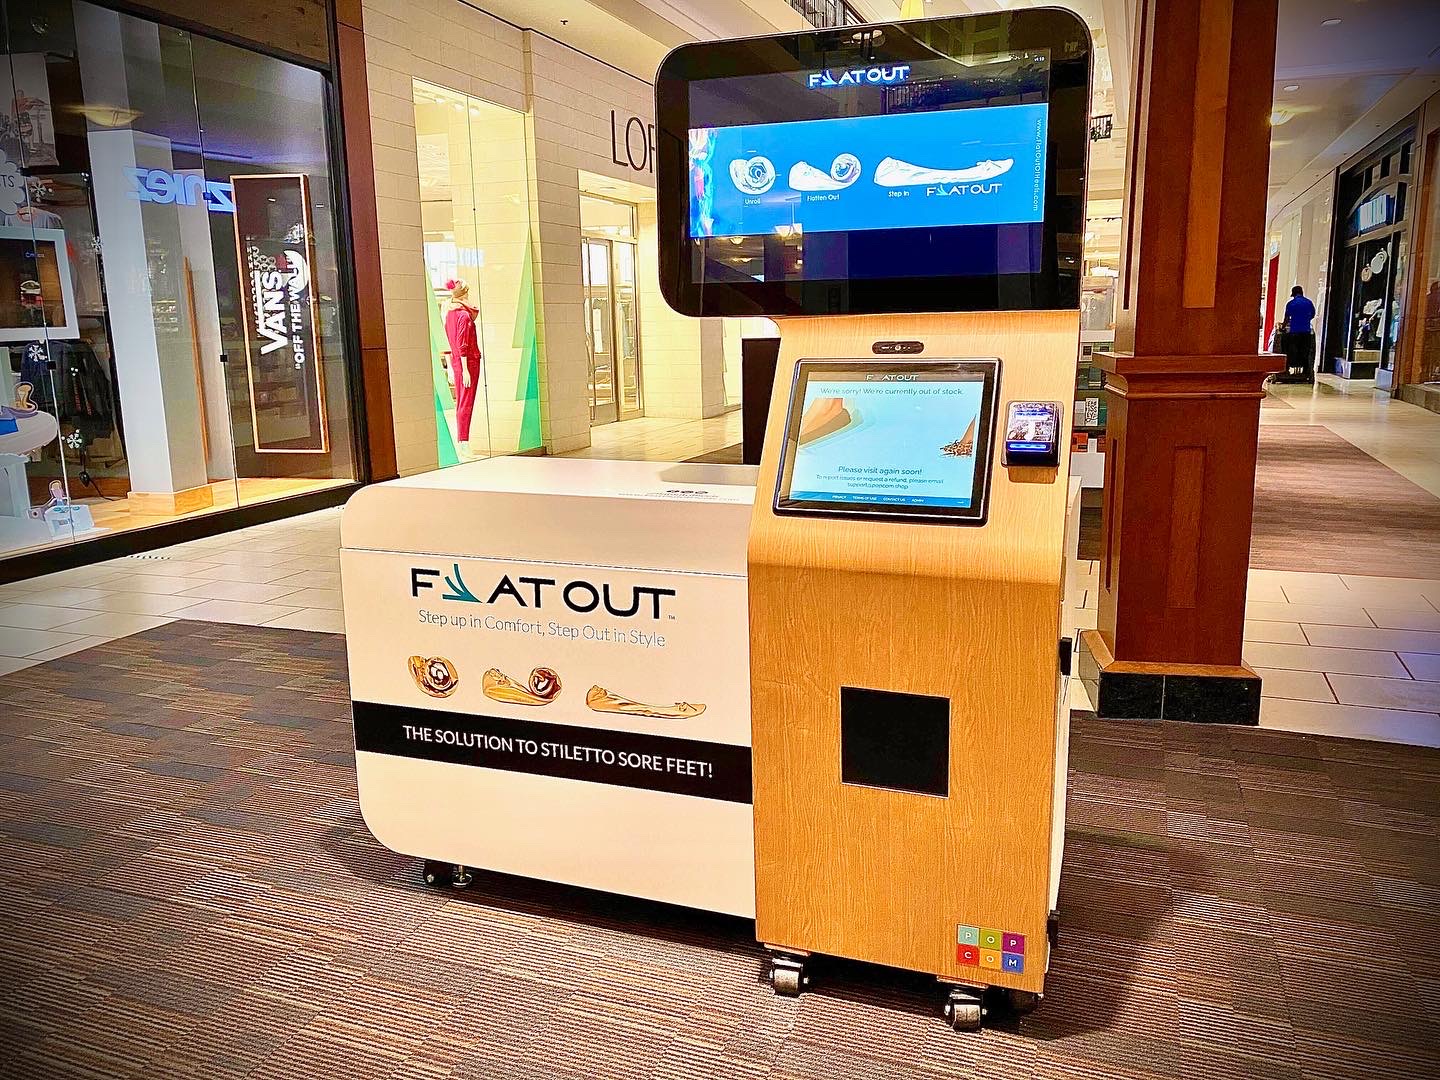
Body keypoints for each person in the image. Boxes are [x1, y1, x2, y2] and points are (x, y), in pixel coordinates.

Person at [442, 278, 483, 446]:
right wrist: (465, 369)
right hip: (468, 363)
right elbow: (462, 343)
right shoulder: (464, 315)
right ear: (465, 293)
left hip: (457, 362)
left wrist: (453, 366)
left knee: (461, 402)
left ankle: (462, 441)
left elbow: (448, 342)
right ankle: (463, 442)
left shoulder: (450, 314)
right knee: (466, 402)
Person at [1281, 285, 1316, 383]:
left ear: (1293, 294)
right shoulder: (1309, 302)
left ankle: (1287, 368)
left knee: (1291, 351)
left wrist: (1282, 327)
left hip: (1294, 332)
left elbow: (1286, 318)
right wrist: (1305, 320)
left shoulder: (1291, 303)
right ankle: (1306, 371)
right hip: (1306, 332)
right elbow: (1312, 314)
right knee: (1305, 351)